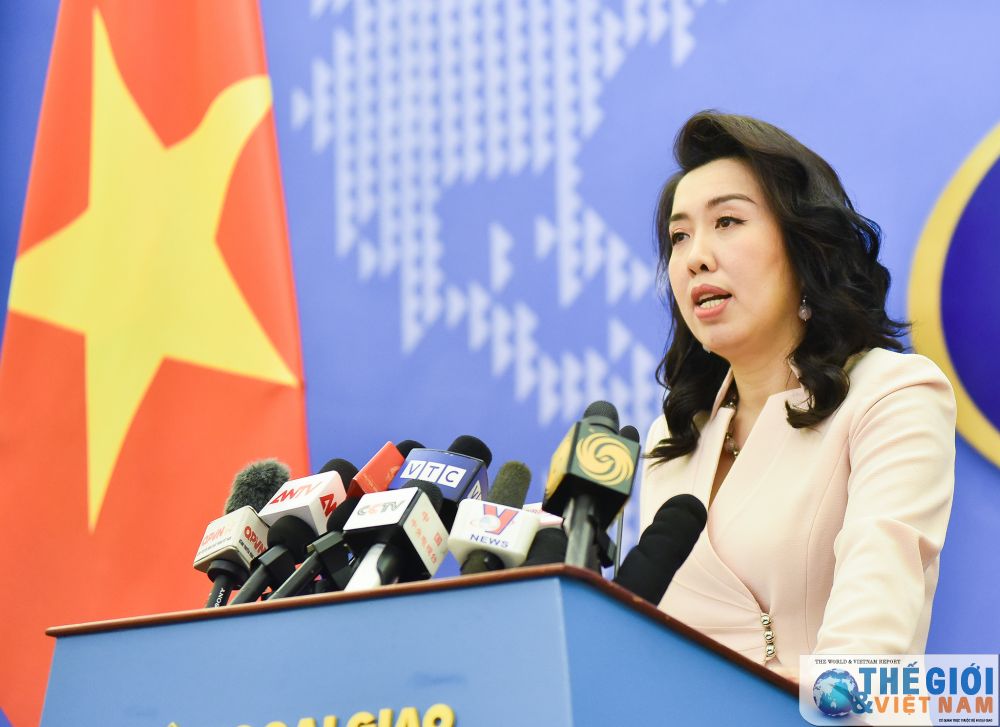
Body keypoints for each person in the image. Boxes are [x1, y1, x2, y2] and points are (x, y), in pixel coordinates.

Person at [640, 111, 956, 679]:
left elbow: (868, 651)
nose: (695, 257)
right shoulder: (674, 437)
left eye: (728, 221)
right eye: (679, 237)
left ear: (805, 248)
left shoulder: (891, 395)